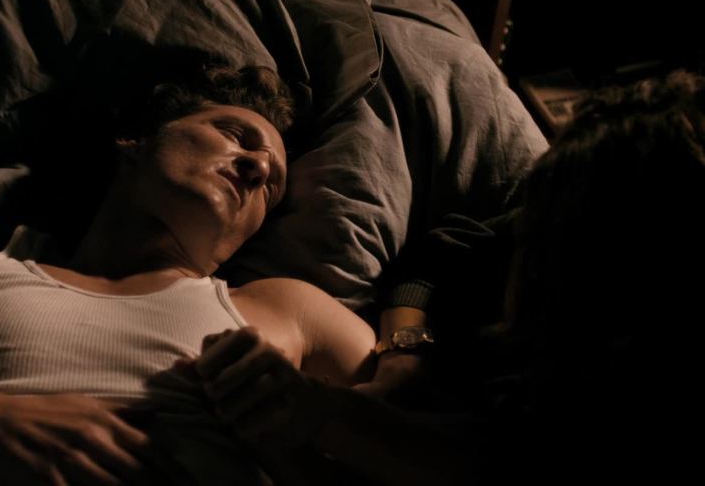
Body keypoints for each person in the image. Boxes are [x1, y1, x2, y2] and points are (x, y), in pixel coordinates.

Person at [191, 70, 705, 484]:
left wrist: (321, 417)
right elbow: (436, 259)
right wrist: (404, 353)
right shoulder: (556, 218)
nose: (257, 167)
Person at [0, 64, 379, 485]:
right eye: (235, 135)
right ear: (136, 138)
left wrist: (317, 420)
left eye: (271, 188)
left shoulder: (285, 309)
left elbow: (418, 452)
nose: (257, 167)